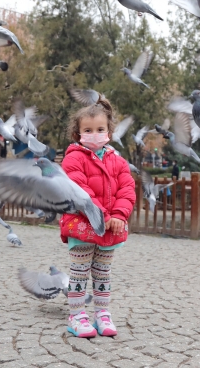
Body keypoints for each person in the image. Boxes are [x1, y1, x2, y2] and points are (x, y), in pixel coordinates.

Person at [60, 98, 136, 338]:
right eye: (88, 130)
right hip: (82, 225)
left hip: (110, 227)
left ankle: (102, 314)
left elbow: (127, 190)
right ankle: (76, 315)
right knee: (80, 271)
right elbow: (81, 192)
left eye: (100, 129)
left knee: (103, 273)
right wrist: (103, 216)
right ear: (78, 133)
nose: (95, 134)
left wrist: (119, 214)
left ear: (109, 132)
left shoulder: (118, 161)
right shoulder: (73, 159)